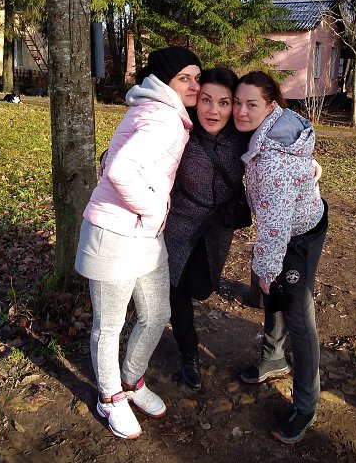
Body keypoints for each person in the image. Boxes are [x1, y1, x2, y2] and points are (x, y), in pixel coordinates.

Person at [74, 46, 201, 439]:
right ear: (164, 82)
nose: (194, 86)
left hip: (144, 235)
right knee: (109, 325)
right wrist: (154, 211)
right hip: (114, 234)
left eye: (197, 77)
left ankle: (131, 381)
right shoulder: (163, 118)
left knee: (156, 312)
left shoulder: (162, 112)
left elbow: (113, 158)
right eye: (184, 78)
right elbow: (120, 170)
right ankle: (110, 397)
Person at [233, 71, 328, 445]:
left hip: (300, 234)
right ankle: (273, 357)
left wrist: (266, 269)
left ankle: (306, 405)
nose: (241, 111)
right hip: (284, 225)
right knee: (271, 290)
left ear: (271, 105)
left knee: (298, 315)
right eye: (237, 103)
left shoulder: (273, 158)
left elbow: (275, 225)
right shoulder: (269, 130)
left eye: (251, 104)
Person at [164, 67, 249, 390]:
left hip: (216, 227)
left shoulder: (243, 136)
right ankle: (189, 351)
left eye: (223, 103)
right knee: (176, 288)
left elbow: (279, 138)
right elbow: (138, 145)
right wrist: (109, 156)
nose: (213, 111)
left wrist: (306, 160)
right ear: (195, 101)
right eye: (206, 100)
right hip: (178, 222)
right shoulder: (178, 128)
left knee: (200, 288)